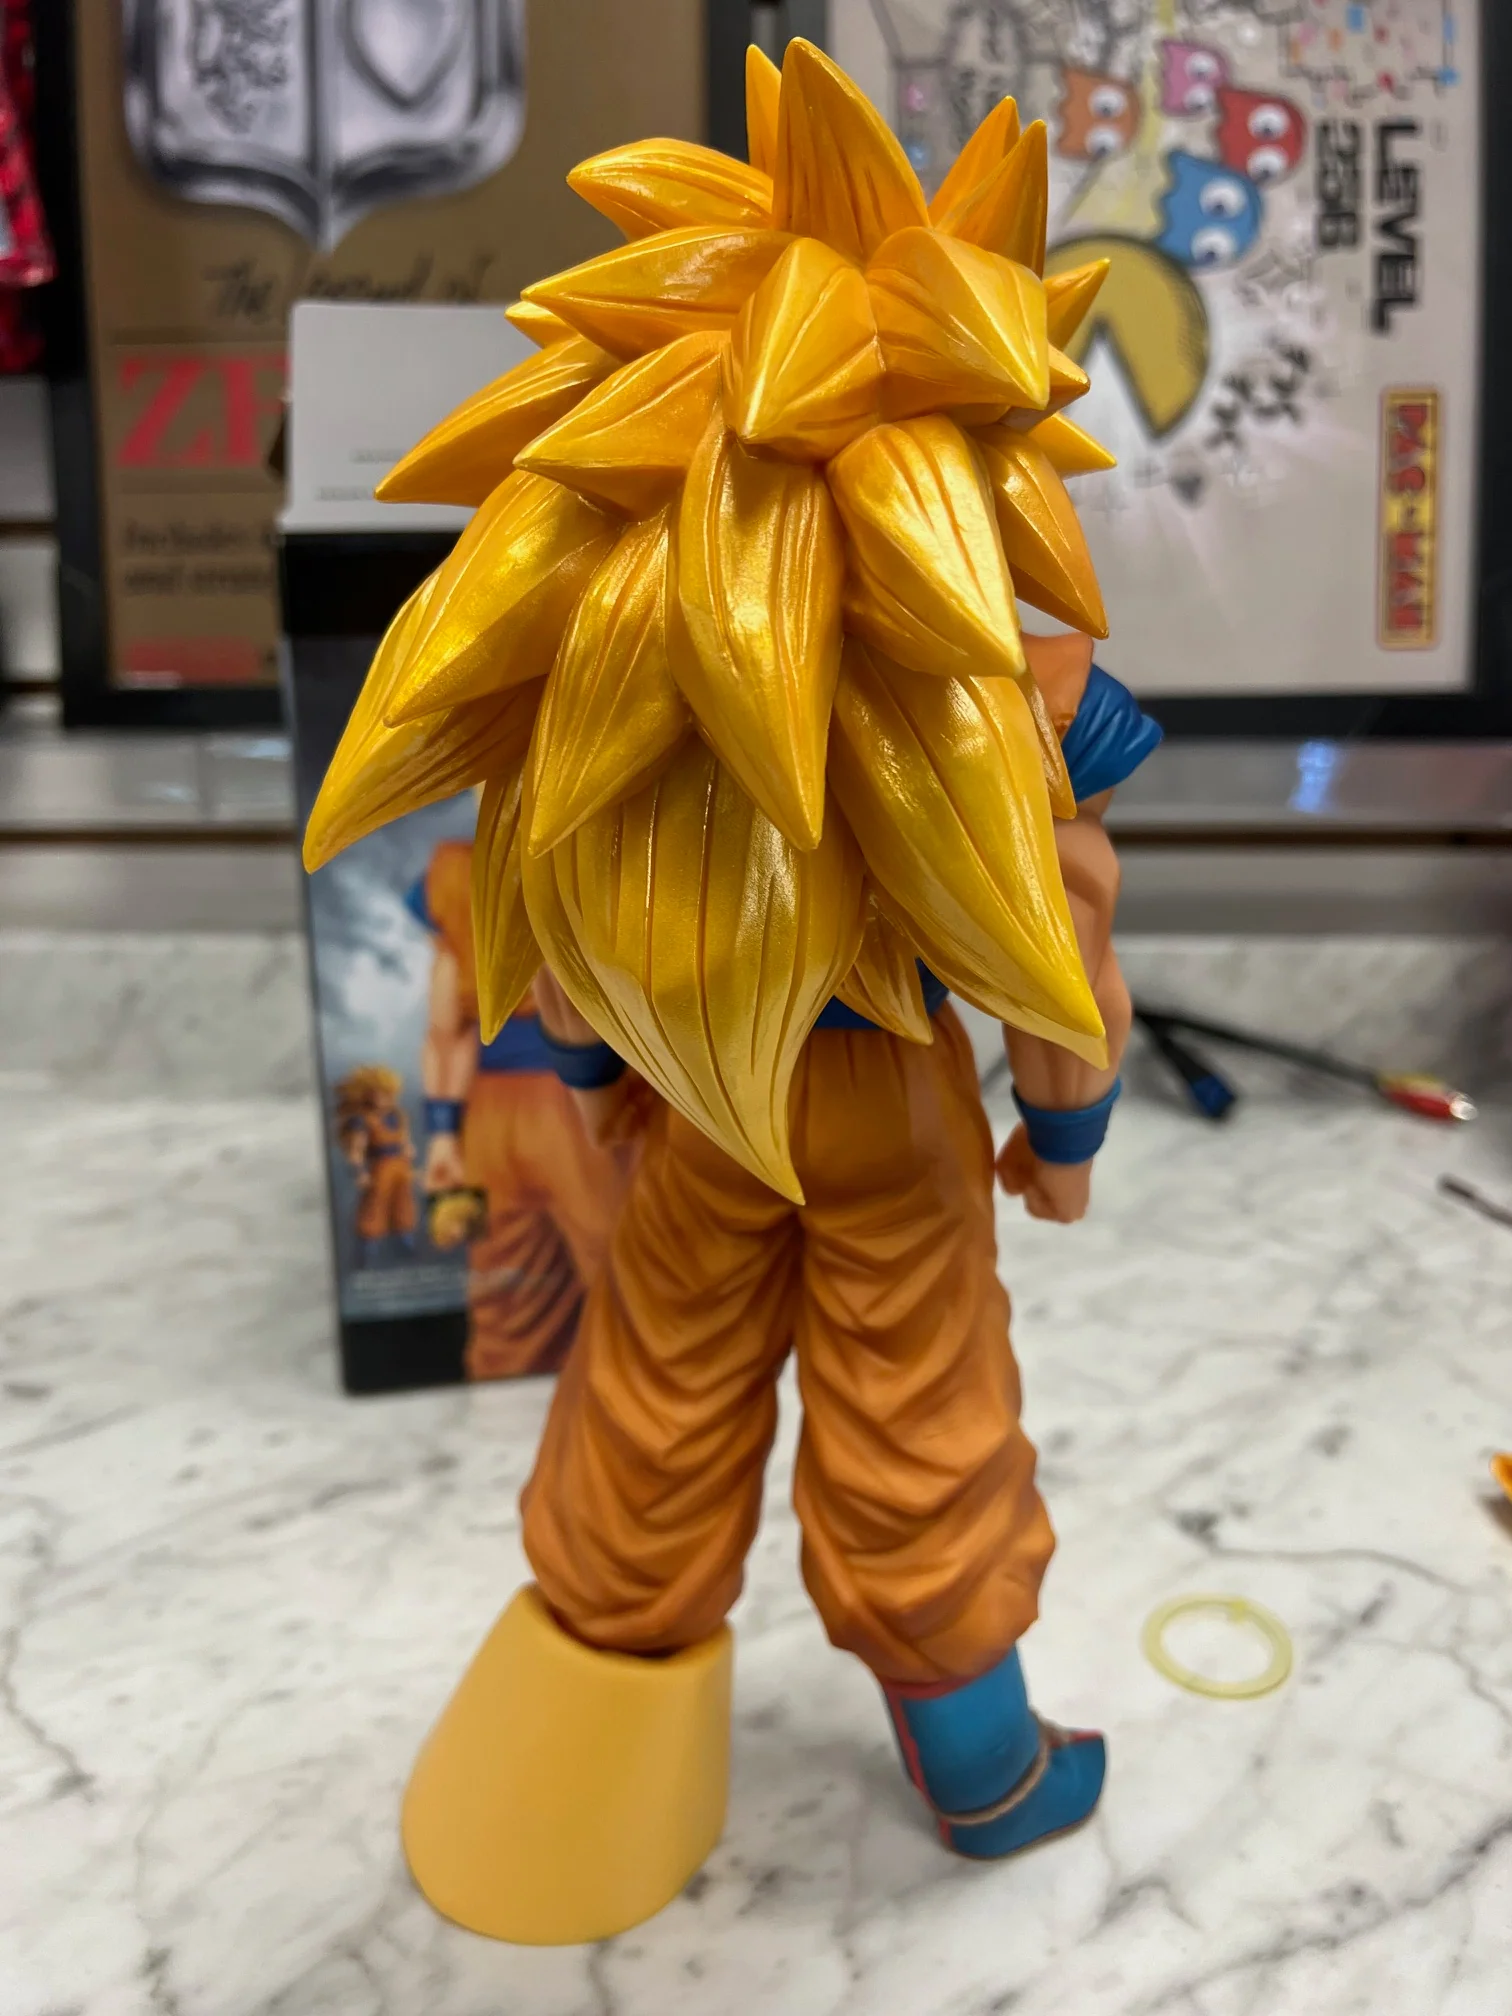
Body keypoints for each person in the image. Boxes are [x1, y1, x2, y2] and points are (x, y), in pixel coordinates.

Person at [304, 39, 1161, 1943]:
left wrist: (579, 1067)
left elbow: (551, 913)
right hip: (885, 1105)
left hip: (696, 1103)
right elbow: (1062, 951)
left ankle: (600, 1687)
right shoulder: (1017, 705)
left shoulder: (608, 646)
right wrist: (1069, 1134)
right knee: (918, 1407)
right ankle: (979, 1760)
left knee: (657, 1385)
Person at [407, 837, 632, 1380]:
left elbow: (447, 1028)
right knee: (626, 1282)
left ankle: (505, 1410)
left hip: (487, 1116)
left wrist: (443, 1134)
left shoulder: (455, 873)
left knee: (504, 1301)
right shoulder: (606, 853)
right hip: (578, 1103)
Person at [333, 1065, 416, 1268]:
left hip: (401, 1167)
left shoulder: (397, 1115)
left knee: (403, 1203)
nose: (384, 1098)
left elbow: (405, 1140)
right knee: (374, 1206)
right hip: (380, 1167)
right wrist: (359, 1172)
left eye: (387, 1093)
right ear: (366, 1094)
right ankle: (367, 1249)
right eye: (378, 1093)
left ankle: (404, 1243)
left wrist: (408, 1152)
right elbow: (356, 1151)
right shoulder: (362, 1120)